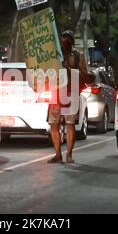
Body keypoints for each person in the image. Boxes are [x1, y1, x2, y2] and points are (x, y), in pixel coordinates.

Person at [47, 30, 89, 164]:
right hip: (56, 91)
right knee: (53, 124)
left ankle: (69, 154)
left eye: (67, 38)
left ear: (72, 42)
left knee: (70, 124)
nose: (64, 41)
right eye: (63, 38)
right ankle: (58, 154)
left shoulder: (78, 56)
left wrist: (68, 69)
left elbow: (84, 74)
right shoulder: (55, 55)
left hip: (71, 92)